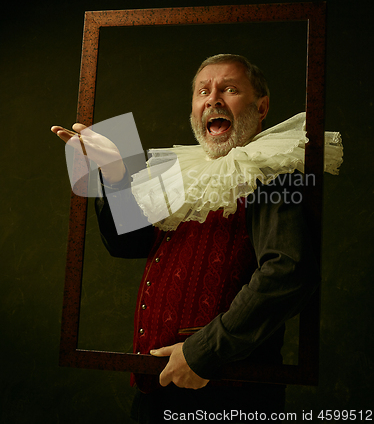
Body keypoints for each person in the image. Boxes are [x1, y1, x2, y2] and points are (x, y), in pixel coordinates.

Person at [52, 54, 340, 423]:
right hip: (156, 390)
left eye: (230, 89)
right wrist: (116, 173)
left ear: (262, 106)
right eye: (203, 91)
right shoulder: (179, 171)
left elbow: (290, 272)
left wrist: (202, 352)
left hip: (228, 392)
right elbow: (130, 246)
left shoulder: (273, 170)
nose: (213, 99)